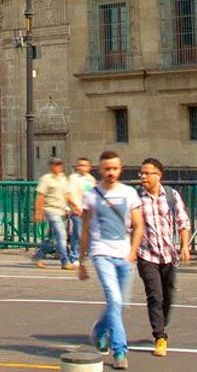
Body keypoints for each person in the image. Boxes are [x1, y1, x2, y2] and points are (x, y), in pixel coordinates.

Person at [77, 150, 142, 371]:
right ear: (100, 170)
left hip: (124, 253)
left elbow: (138, 224)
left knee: (120, 303)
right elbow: (85, 229)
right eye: (107, 169)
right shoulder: (92, 195)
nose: (111, 172)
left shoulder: (129, 193)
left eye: (114, 168)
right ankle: (120, 350)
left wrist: (133, 251)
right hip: (101, 252)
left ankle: (100, 330)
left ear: (120, 169)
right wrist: (81, 261)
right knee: (114, 299)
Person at [134, 156, 190, 359]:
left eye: (148, 173)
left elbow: (183, 221)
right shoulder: (136, 198)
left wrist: (184, 246)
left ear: (159, 175)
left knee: (167, 296)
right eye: (141, 173)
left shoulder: (172, 196)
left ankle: (161, 322)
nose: (143, 177)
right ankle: (160, 336)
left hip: (168, 255)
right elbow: (128, 226)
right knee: (155, 296)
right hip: (146, 255)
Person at [33, 157, 76, 268]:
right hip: (50, 210)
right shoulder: (46, 179)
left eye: (59, 164)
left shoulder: (63, 178)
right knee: (62, 236)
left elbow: (67, 194)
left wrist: (75, 206)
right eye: (55, 164)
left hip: (61, 210)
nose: (58, 166)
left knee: (51, 238)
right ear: (51, 166)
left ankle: (38, 256)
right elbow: (40, 196)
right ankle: (65, 261)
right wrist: (38, 212)